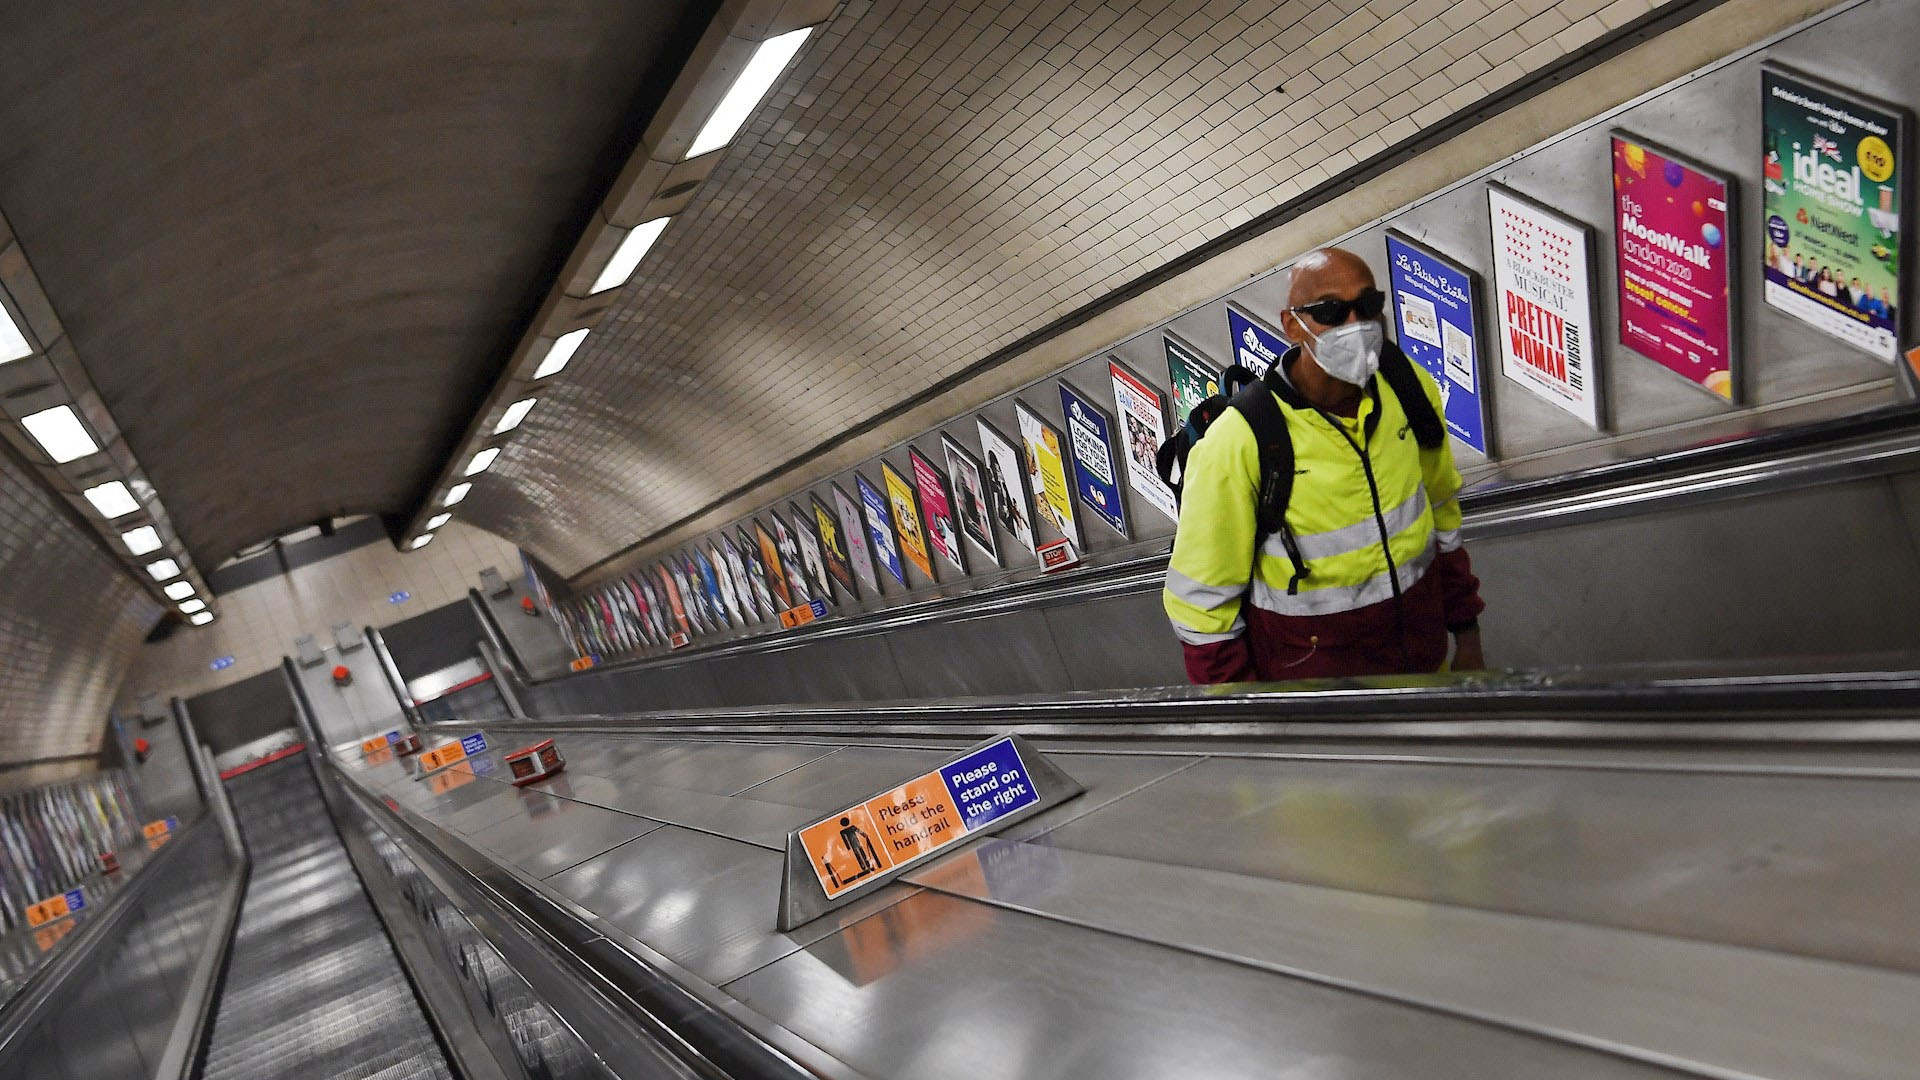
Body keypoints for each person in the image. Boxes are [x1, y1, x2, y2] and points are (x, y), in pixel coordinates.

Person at [1163, 247, 1484, 683]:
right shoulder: (1241, 442)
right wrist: (1248, 721)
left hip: (1425, 666)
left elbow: (1442, 514)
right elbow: (1201, 606)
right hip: (1322, 703)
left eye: (1368, 306)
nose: (1356, 325)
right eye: (1332, 311)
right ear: (1293, 324)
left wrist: (1467, 635)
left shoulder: (1408, 388)